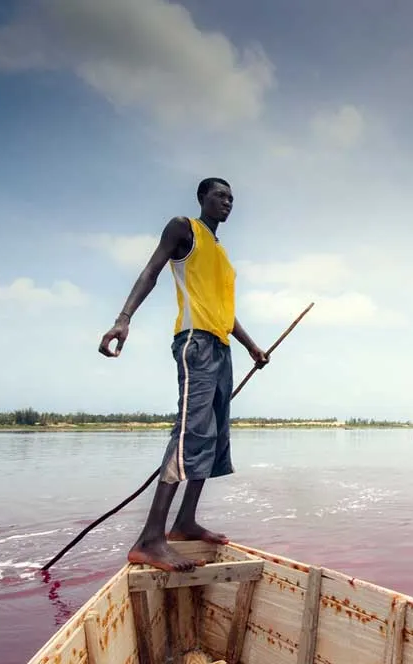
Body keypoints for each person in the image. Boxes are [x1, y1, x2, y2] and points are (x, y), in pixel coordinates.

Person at [97, 177, 269, 572]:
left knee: (211, 436)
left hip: (221, 348)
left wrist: (250, 346)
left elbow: (224, 311)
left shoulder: (222, 253)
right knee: (190, 433)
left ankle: (184, 522)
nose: (227, 202)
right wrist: (124, 319)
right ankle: (150, 539)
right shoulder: (184, 229)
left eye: (231, 197)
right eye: (219, 195)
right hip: (196, 344)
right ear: (202, 199)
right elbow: (151, 271)